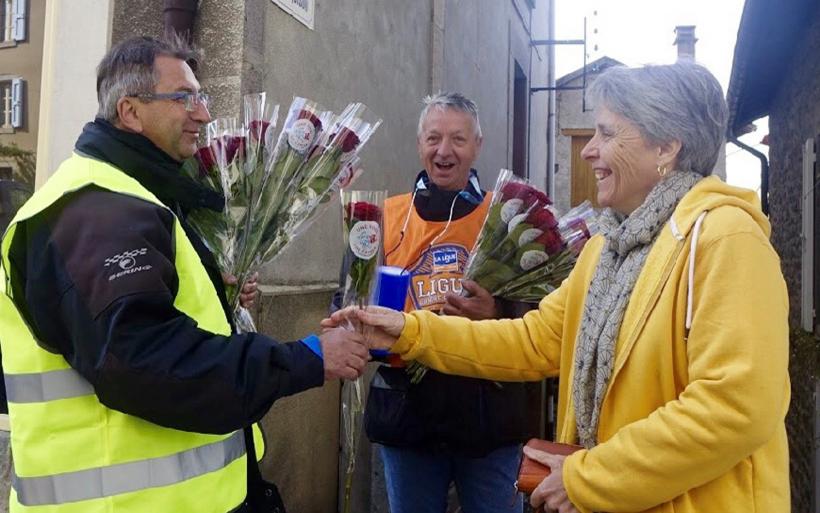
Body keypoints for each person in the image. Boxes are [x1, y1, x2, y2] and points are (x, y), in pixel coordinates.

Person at [325, 62, 790, 513]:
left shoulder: (725, 238)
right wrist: (408, 331)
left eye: (607, 133)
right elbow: (532, 340)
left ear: (666, 147)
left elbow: (733, 407)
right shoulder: (607, 249)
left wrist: (590, 477)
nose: (588, 150)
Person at [0, 36, 369, 513]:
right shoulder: (98, 212)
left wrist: (222, 297)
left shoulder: (135, 197)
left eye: (202, 96)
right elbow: (147, 363)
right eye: (184, 98)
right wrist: (306, 358)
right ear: (130, 111)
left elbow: (140, 325)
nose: (203, 114)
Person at [332, 92, 537, 513]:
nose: (444, 151)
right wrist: (359, 329)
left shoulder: (505, 219)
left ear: (477, 145)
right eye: (433, 138)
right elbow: (350, 299)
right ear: (419, 144)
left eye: (458, 139)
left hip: (490, 420)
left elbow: (540, 315)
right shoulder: (382, 216)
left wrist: (497, 313)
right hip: (409, 418)